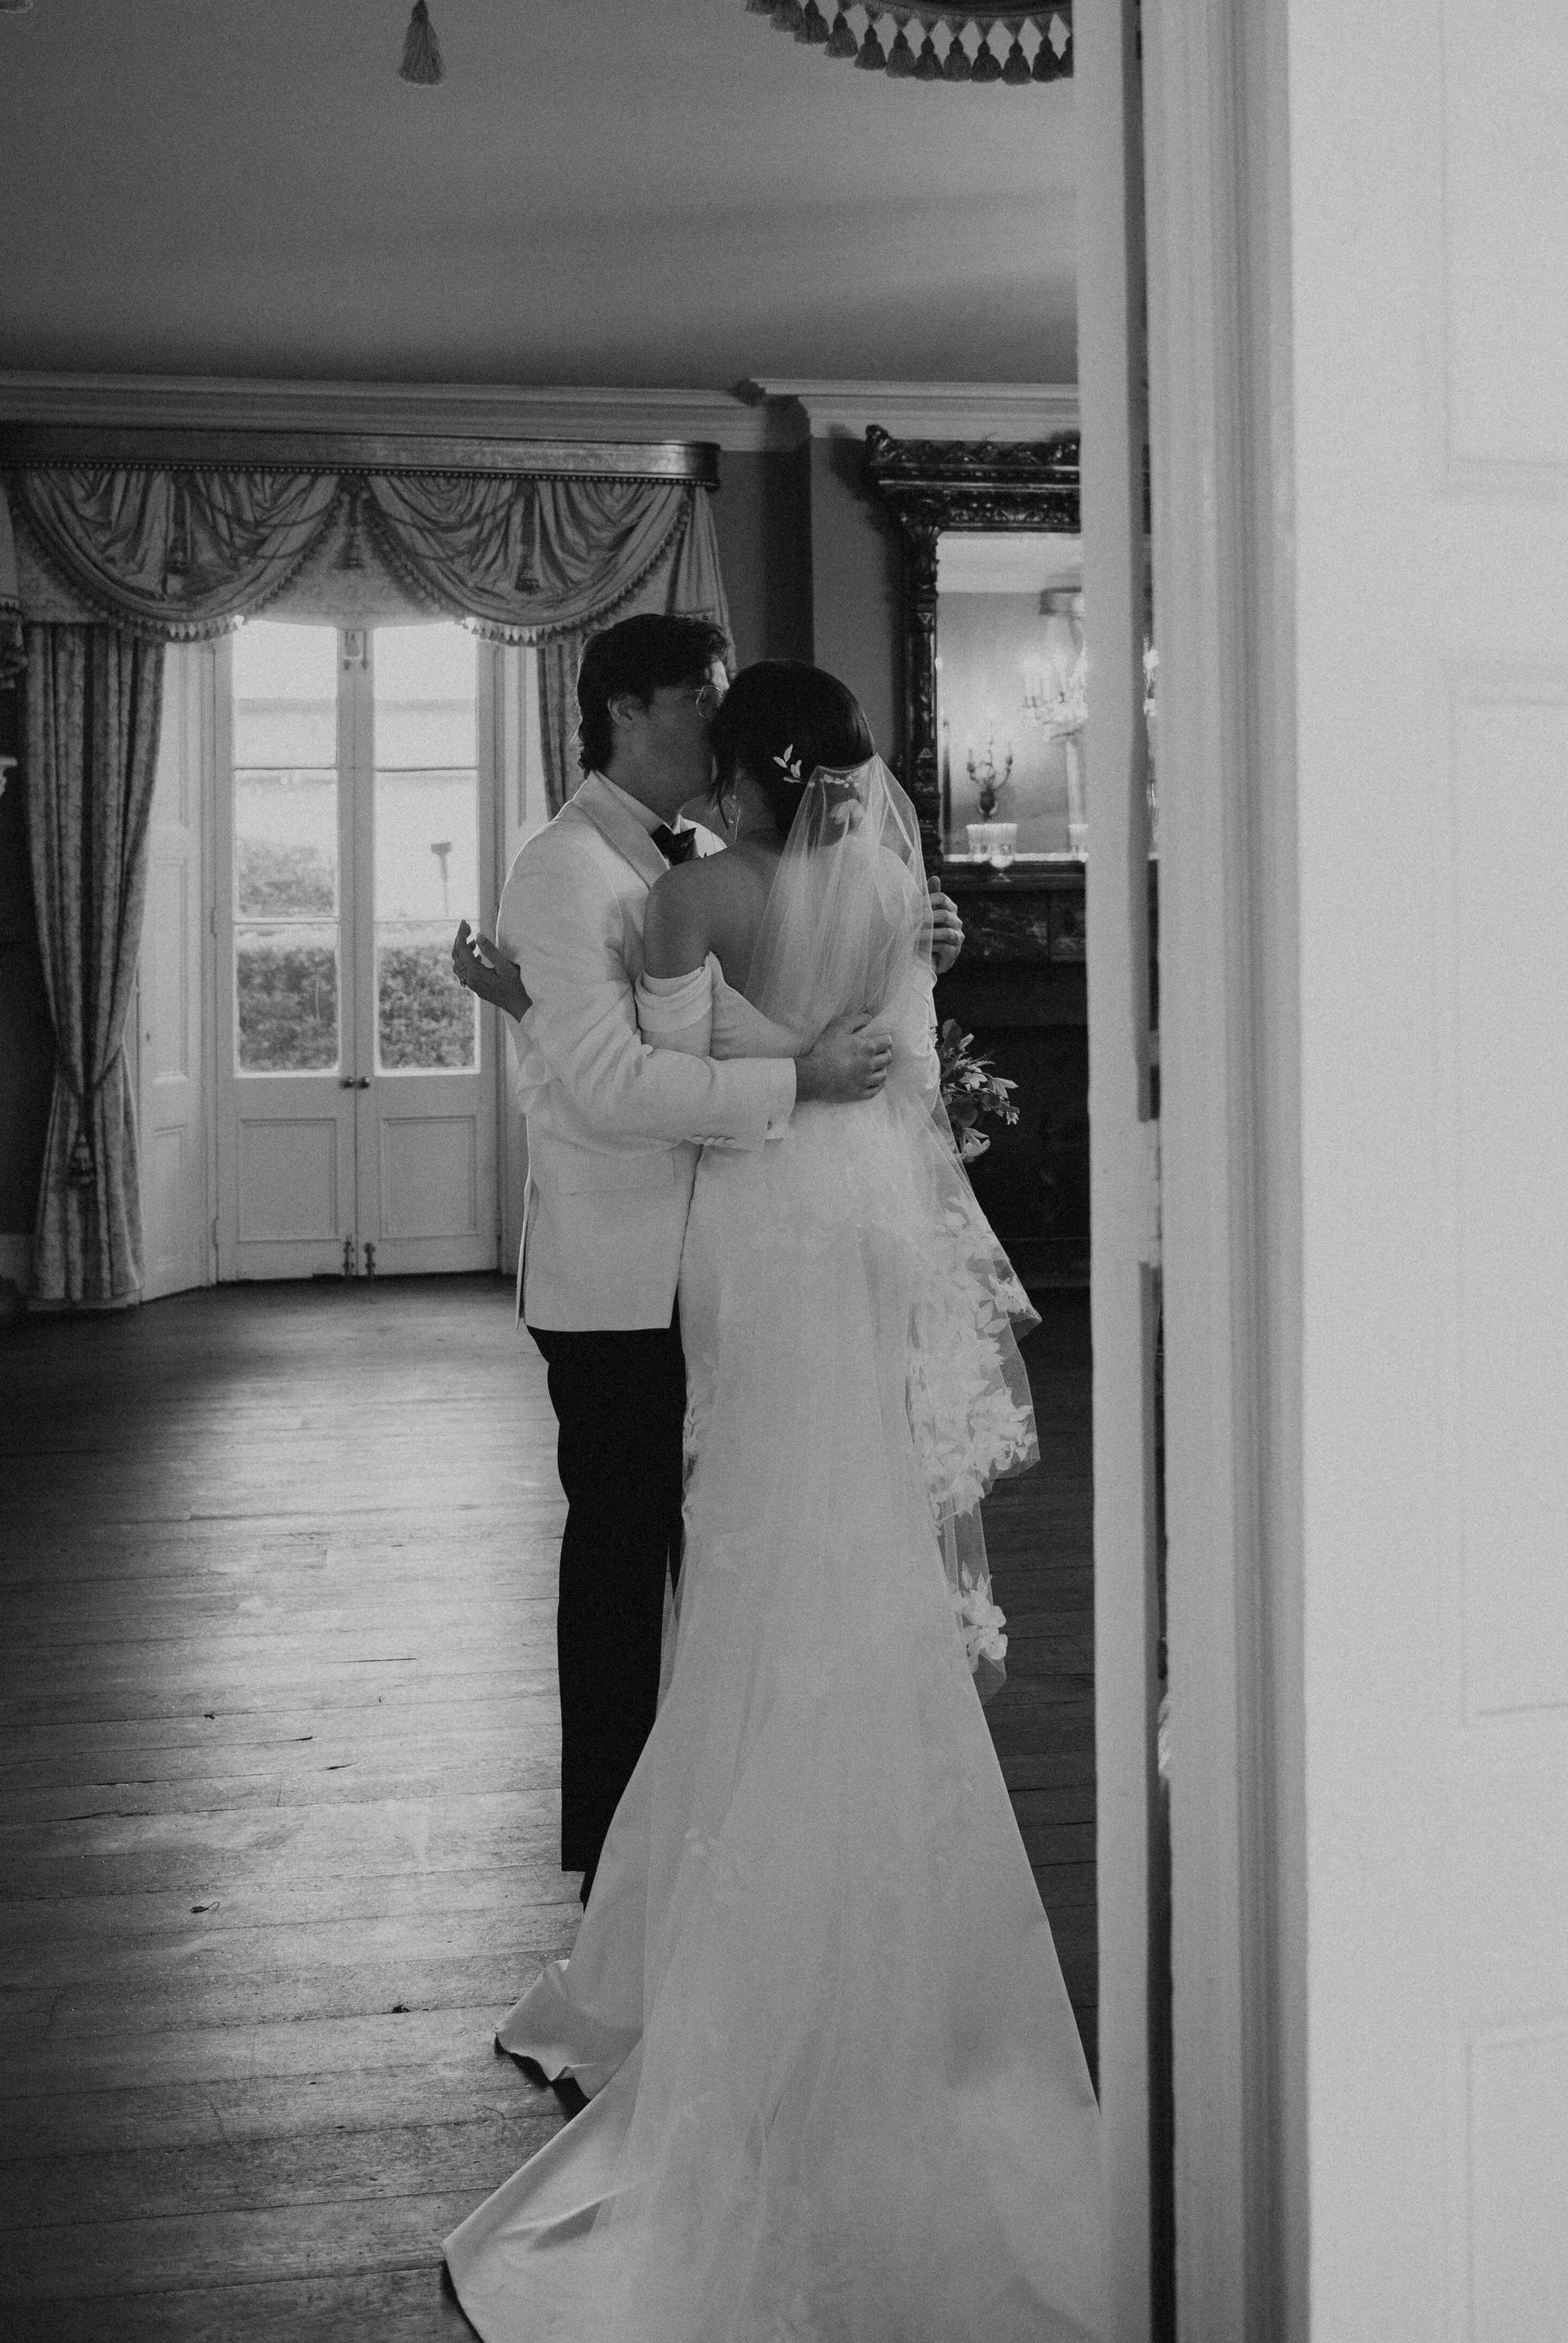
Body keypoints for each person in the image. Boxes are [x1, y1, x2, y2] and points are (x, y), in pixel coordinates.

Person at [444, 662, 1099, 2343]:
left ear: (728, 759)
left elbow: (658, 1072)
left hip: (753, 1230)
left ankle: (725, 1893)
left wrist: (584, 1018)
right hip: (865, 1222)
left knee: (738, 1533)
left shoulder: (677, 891)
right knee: (853, 1515)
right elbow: (888, 1064)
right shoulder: (890, 890)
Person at [456, 615, 943, 1905]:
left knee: (737, 1552)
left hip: (737, 1257)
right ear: (626, 710)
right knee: (624, 1566)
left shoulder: (705, 867)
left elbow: (610, 1039)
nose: (718, 720)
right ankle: (615, 1865)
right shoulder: (565, 870)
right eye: (697, 697)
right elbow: (612, 1085)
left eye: (731, 699)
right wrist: (803, 1075)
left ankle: (724, 1836)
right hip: (619, 1273)